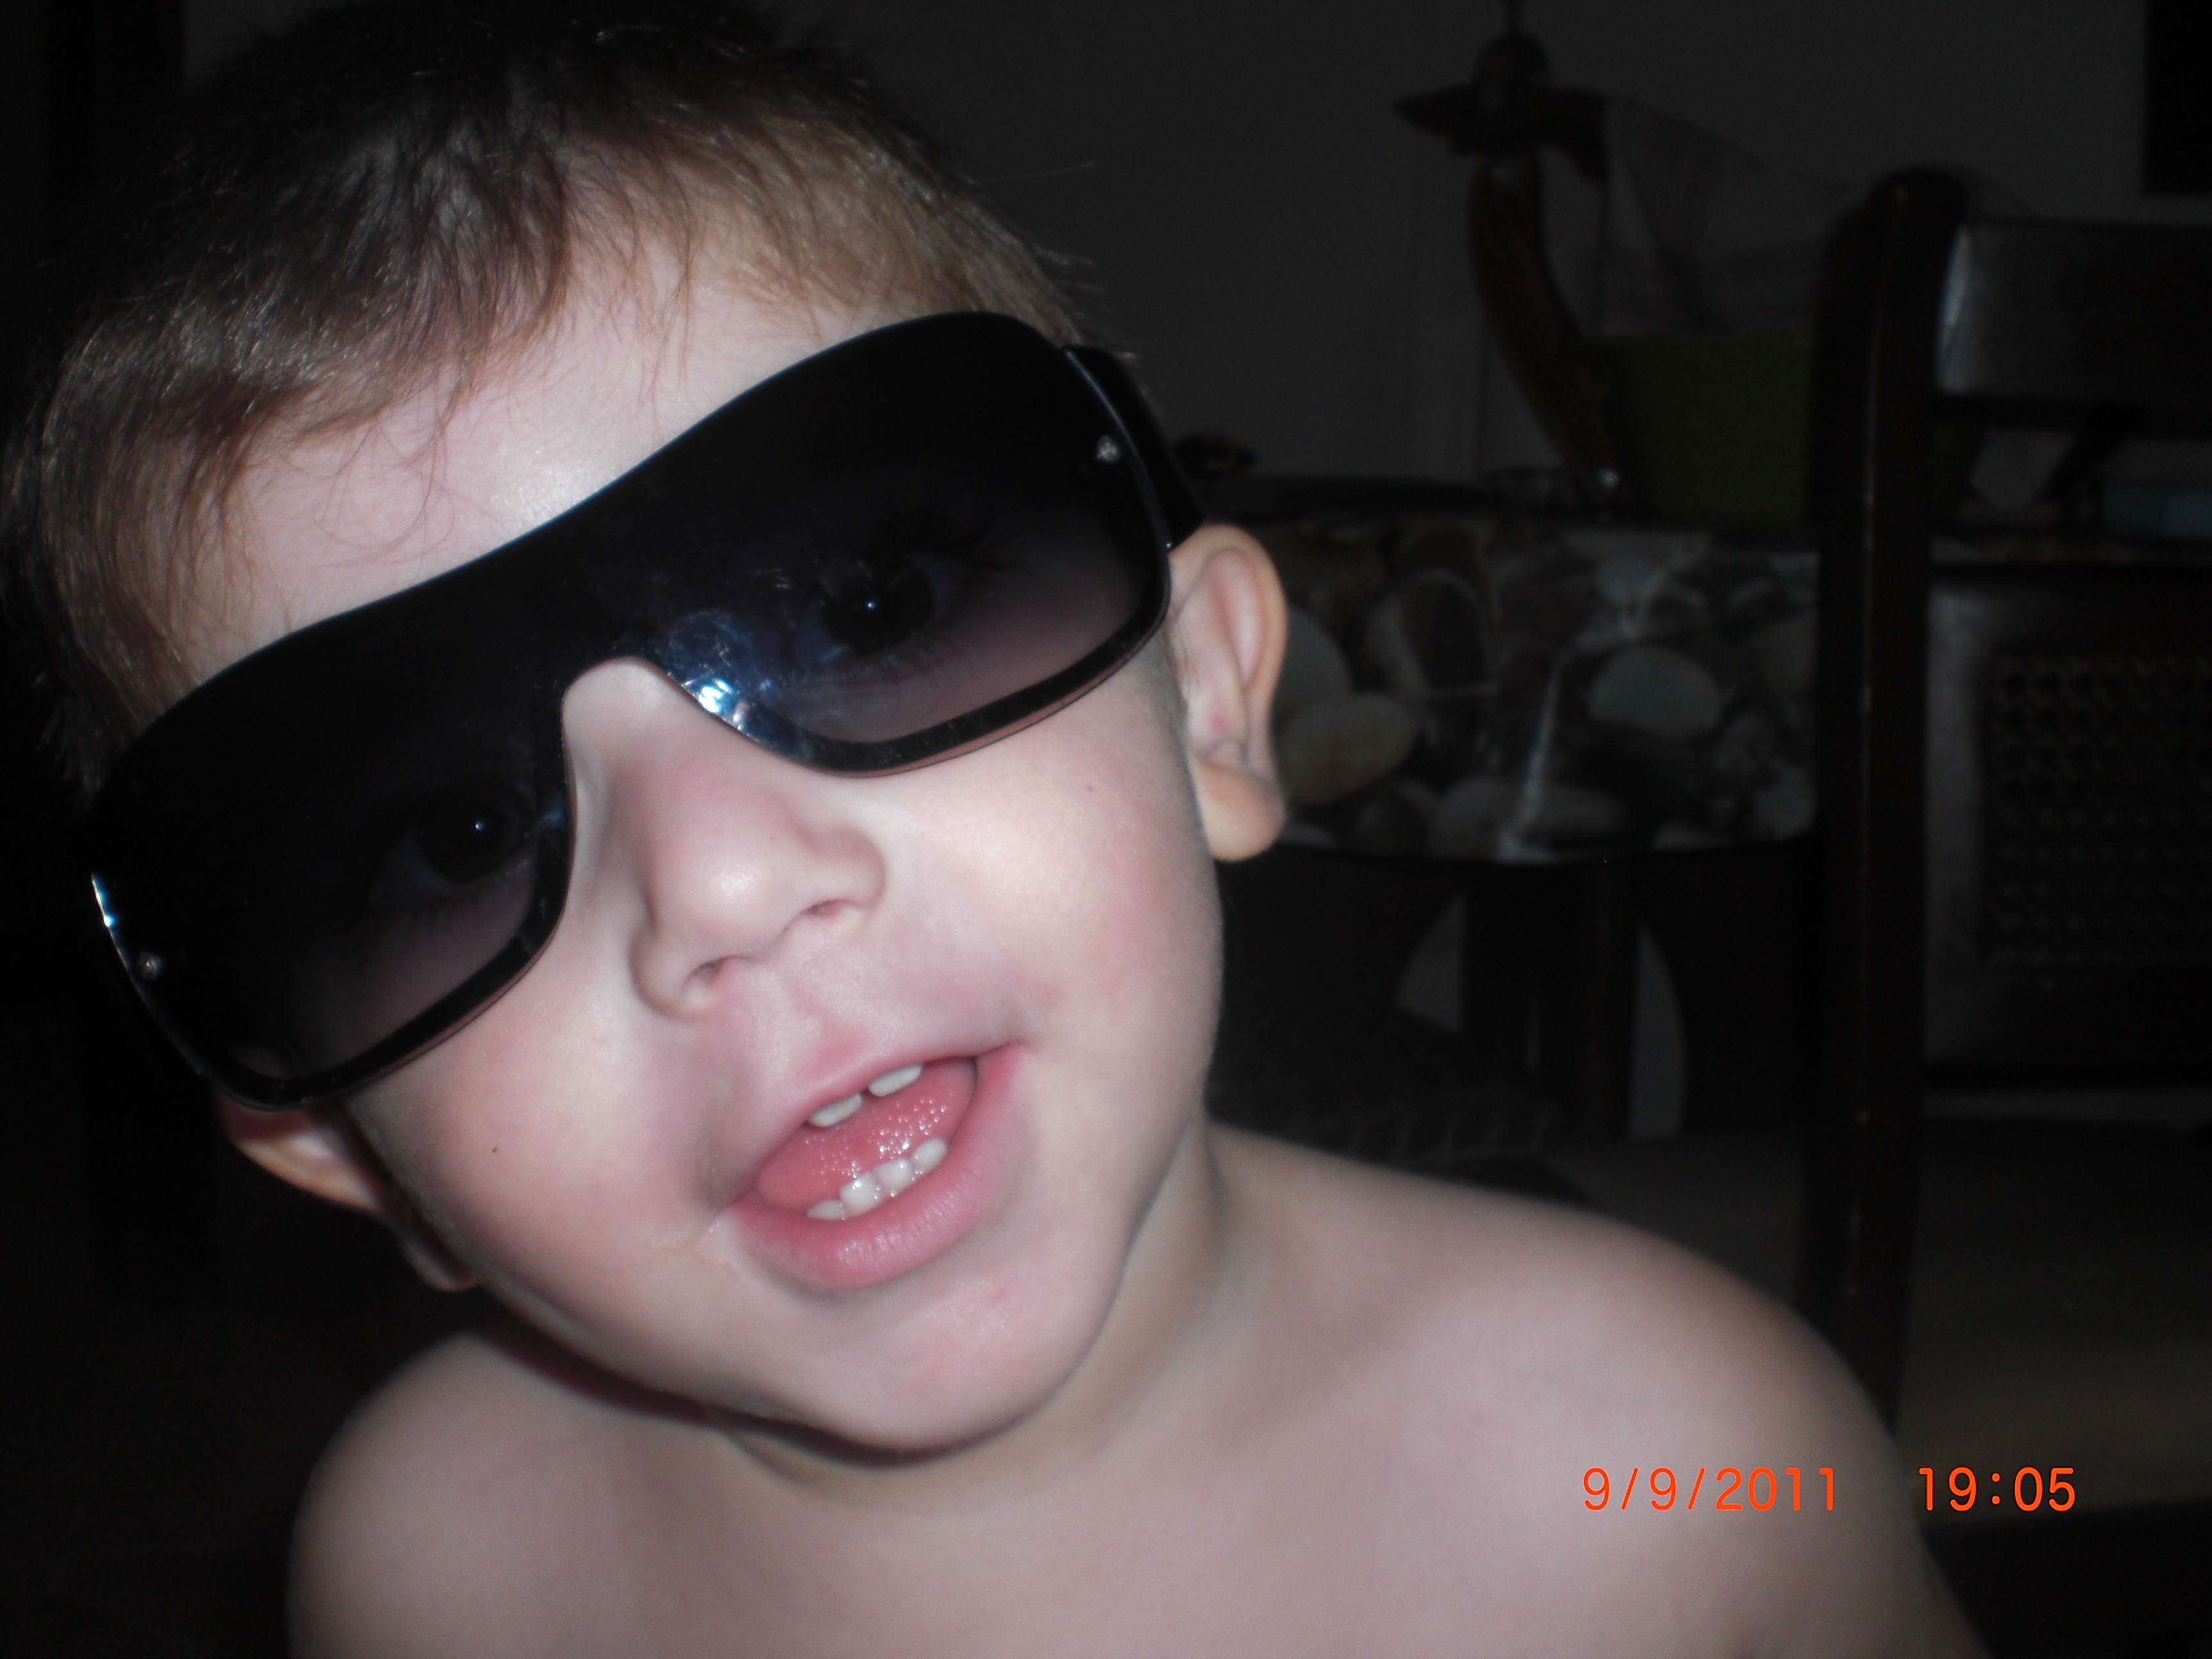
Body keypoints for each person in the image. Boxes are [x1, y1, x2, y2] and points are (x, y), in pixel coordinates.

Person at [3, 3, 1980, 1653]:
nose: (726, 880)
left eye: (866, 609)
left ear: (1209, 699)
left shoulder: (1680, 1479)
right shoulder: (425, 1564)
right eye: (444, 838)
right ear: (349, 1148)